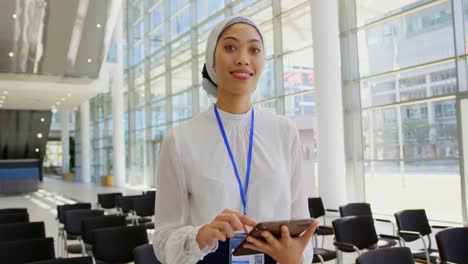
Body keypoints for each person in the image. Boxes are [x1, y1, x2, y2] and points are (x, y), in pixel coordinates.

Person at [152, 15, 317, 264]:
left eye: (254, 50)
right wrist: (200, 236)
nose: (243, 58)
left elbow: (300, 223)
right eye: (230, 47)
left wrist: (296, 258)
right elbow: (163, 239)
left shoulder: (284, 132)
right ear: (212, 61)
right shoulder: (181, 139)